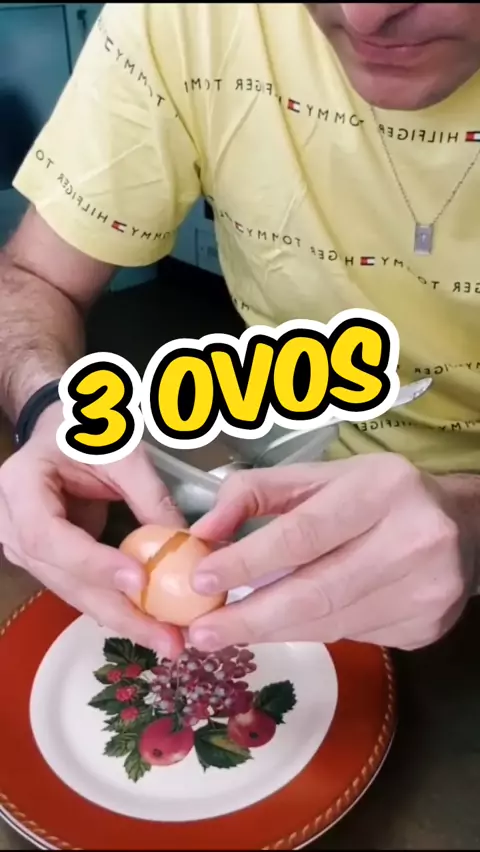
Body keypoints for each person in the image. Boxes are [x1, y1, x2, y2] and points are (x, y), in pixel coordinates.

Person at [0, 2, 479, 660]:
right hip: (290, 490)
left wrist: (468, 522)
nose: (364, 16)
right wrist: (49, 411)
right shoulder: (185, 17)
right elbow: (34, 279)